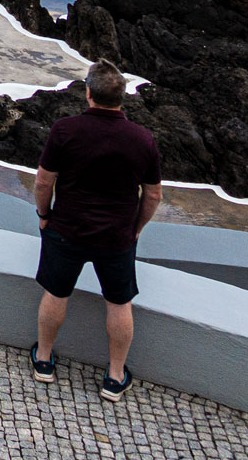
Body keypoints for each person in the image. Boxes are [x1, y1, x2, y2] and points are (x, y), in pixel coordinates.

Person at [31, 61, 163, 402]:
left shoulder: (64, 130)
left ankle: (44, 361)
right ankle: (115, 377)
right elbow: (153, 194)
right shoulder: (142, 139)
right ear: (123, 98)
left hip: (66, 229)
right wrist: (135, 228)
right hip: (116, 237)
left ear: (88, 93)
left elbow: (44, 180)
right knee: (119, 304)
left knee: (56, 293)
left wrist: (44, 215)